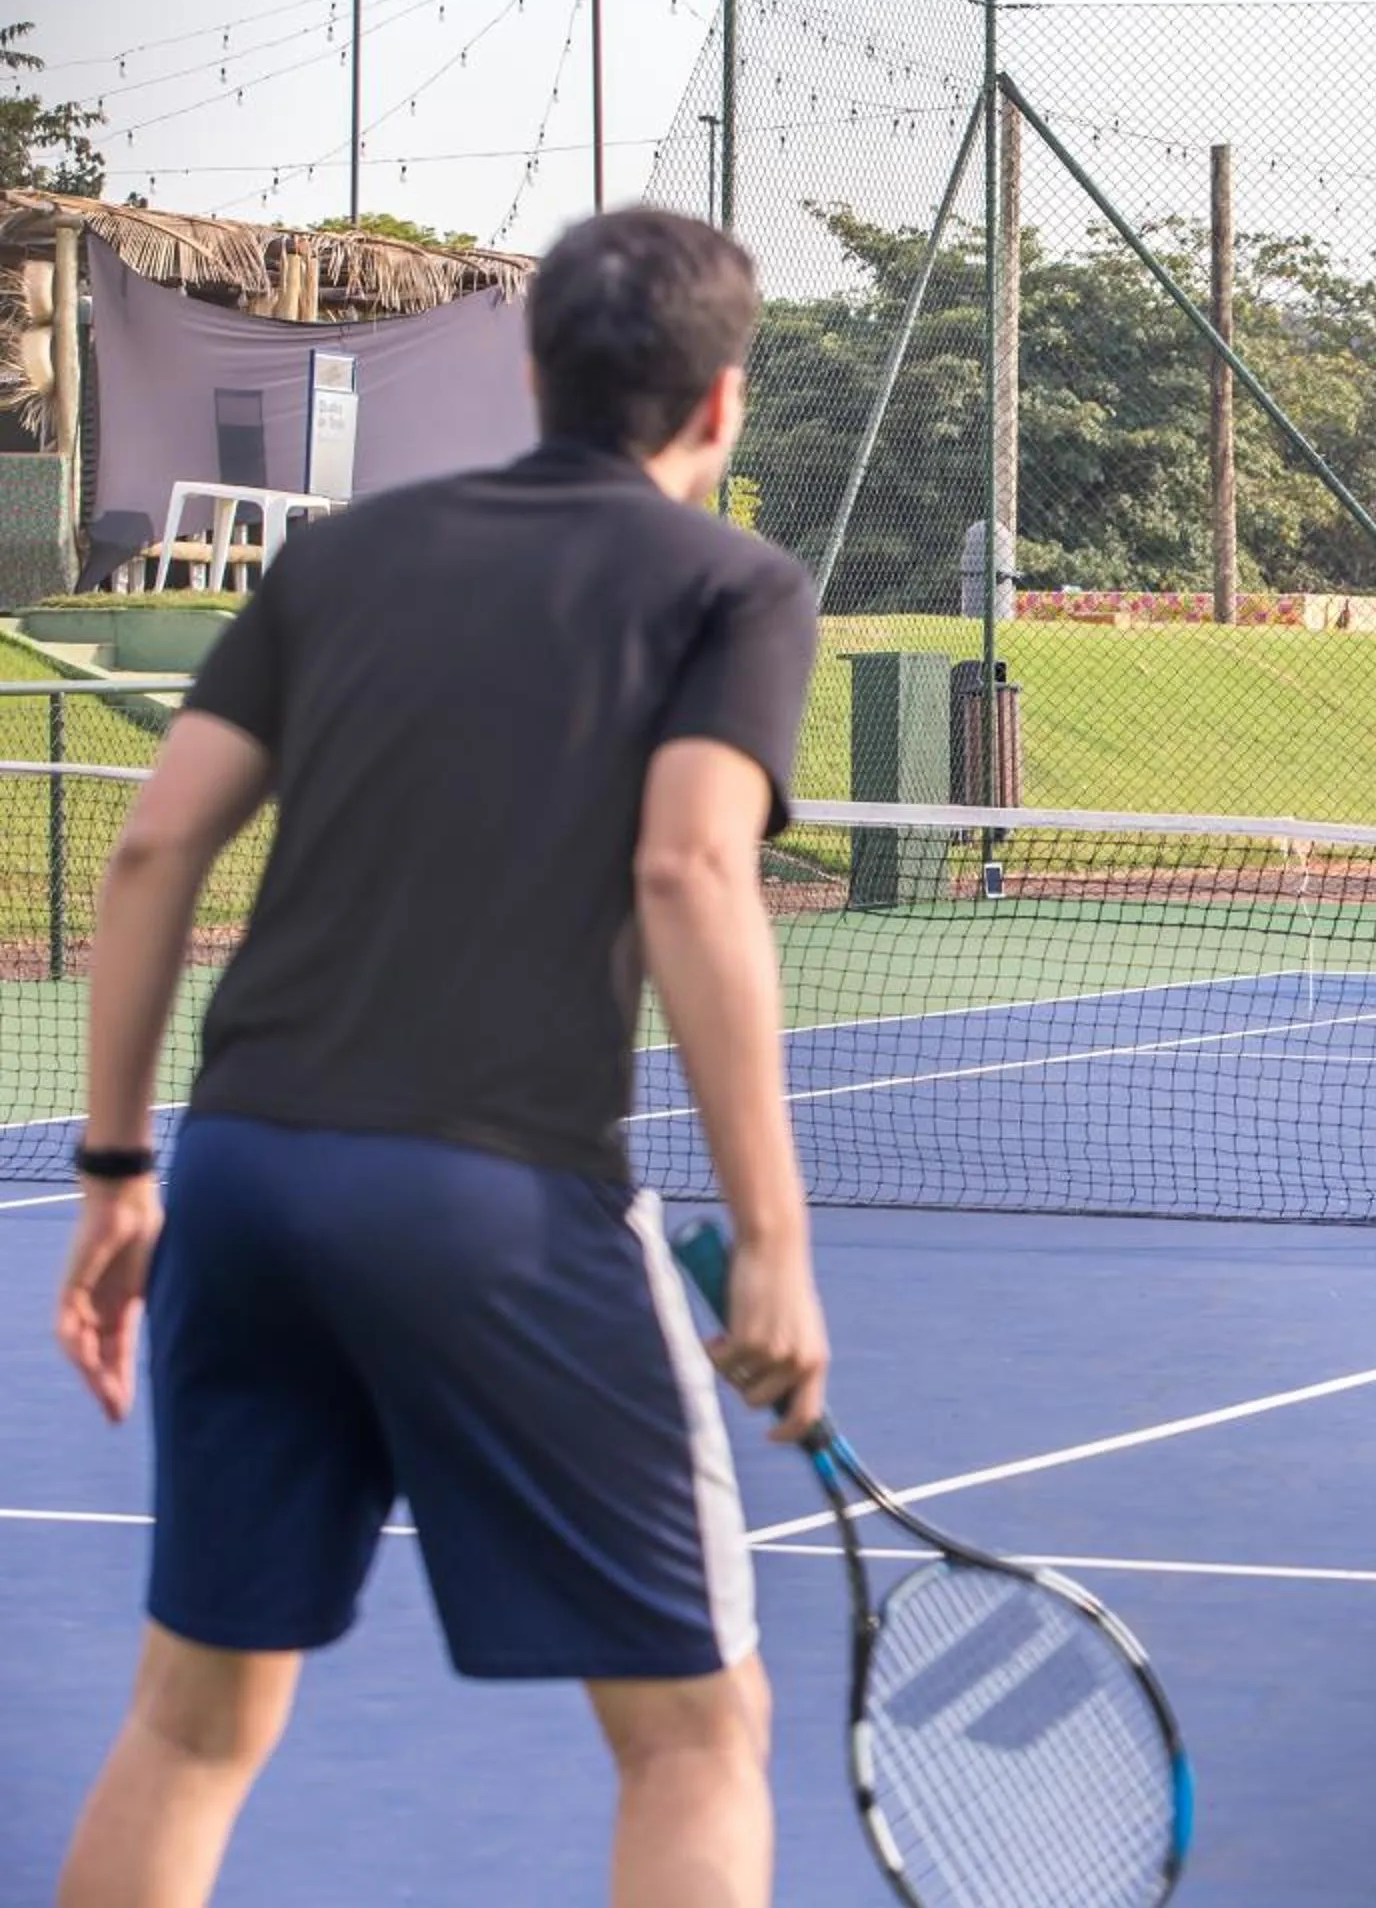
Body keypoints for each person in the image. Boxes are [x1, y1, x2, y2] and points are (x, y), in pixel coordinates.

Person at [50, 206, 828, 1908]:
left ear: (533, 373)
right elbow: (692, 866)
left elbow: (150, 853)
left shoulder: (335, 558)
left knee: (190, 1729)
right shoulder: (734, 588)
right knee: (699, 1739)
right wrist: (772, 1240)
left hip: (242, 1177)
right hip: (493, 1195)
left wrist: (116, 1175)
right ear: (722, 406)